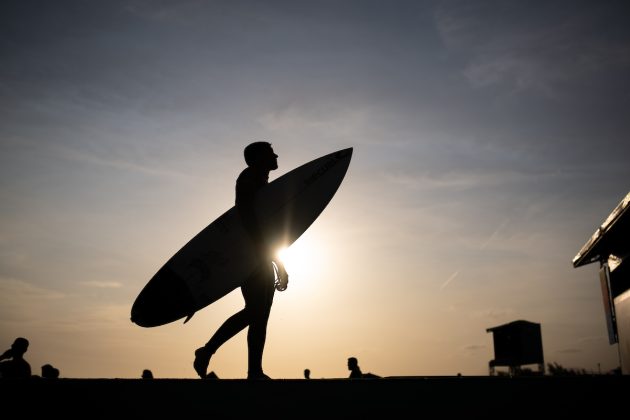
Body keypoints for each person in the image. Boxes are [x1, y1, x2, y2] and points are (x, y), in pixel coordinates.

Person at [193, 142, 289, 380]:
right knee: (256, 311)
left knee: (260, 313)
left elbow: (268, 229)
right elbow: (248, 220)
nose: (276, 156)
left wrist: (278, 262)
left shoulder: (261, 182)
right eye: (270, 153)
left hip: (260, 255)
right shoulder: (248, 180)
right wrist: (267, 255)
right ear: (257, 158)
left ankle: (252, 370)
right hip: (249, 256)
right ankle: (208, 351)